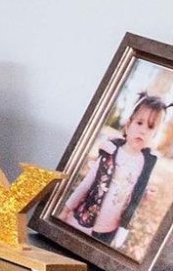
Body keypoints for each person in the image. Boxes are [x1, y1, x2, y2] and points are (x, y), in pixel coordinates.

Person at [59, 90, 168, 246]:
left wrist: (143, 195)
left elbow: (132, 193)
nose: (143, 130)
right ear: (129, 124)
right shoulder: (110, 152)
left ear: (154, 134)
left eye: (150, 127)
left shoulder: (144, 164)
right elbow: (87, 182)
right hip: (82, 220)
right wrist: (66, 209)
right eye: (139, 123)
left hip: (107, 231)